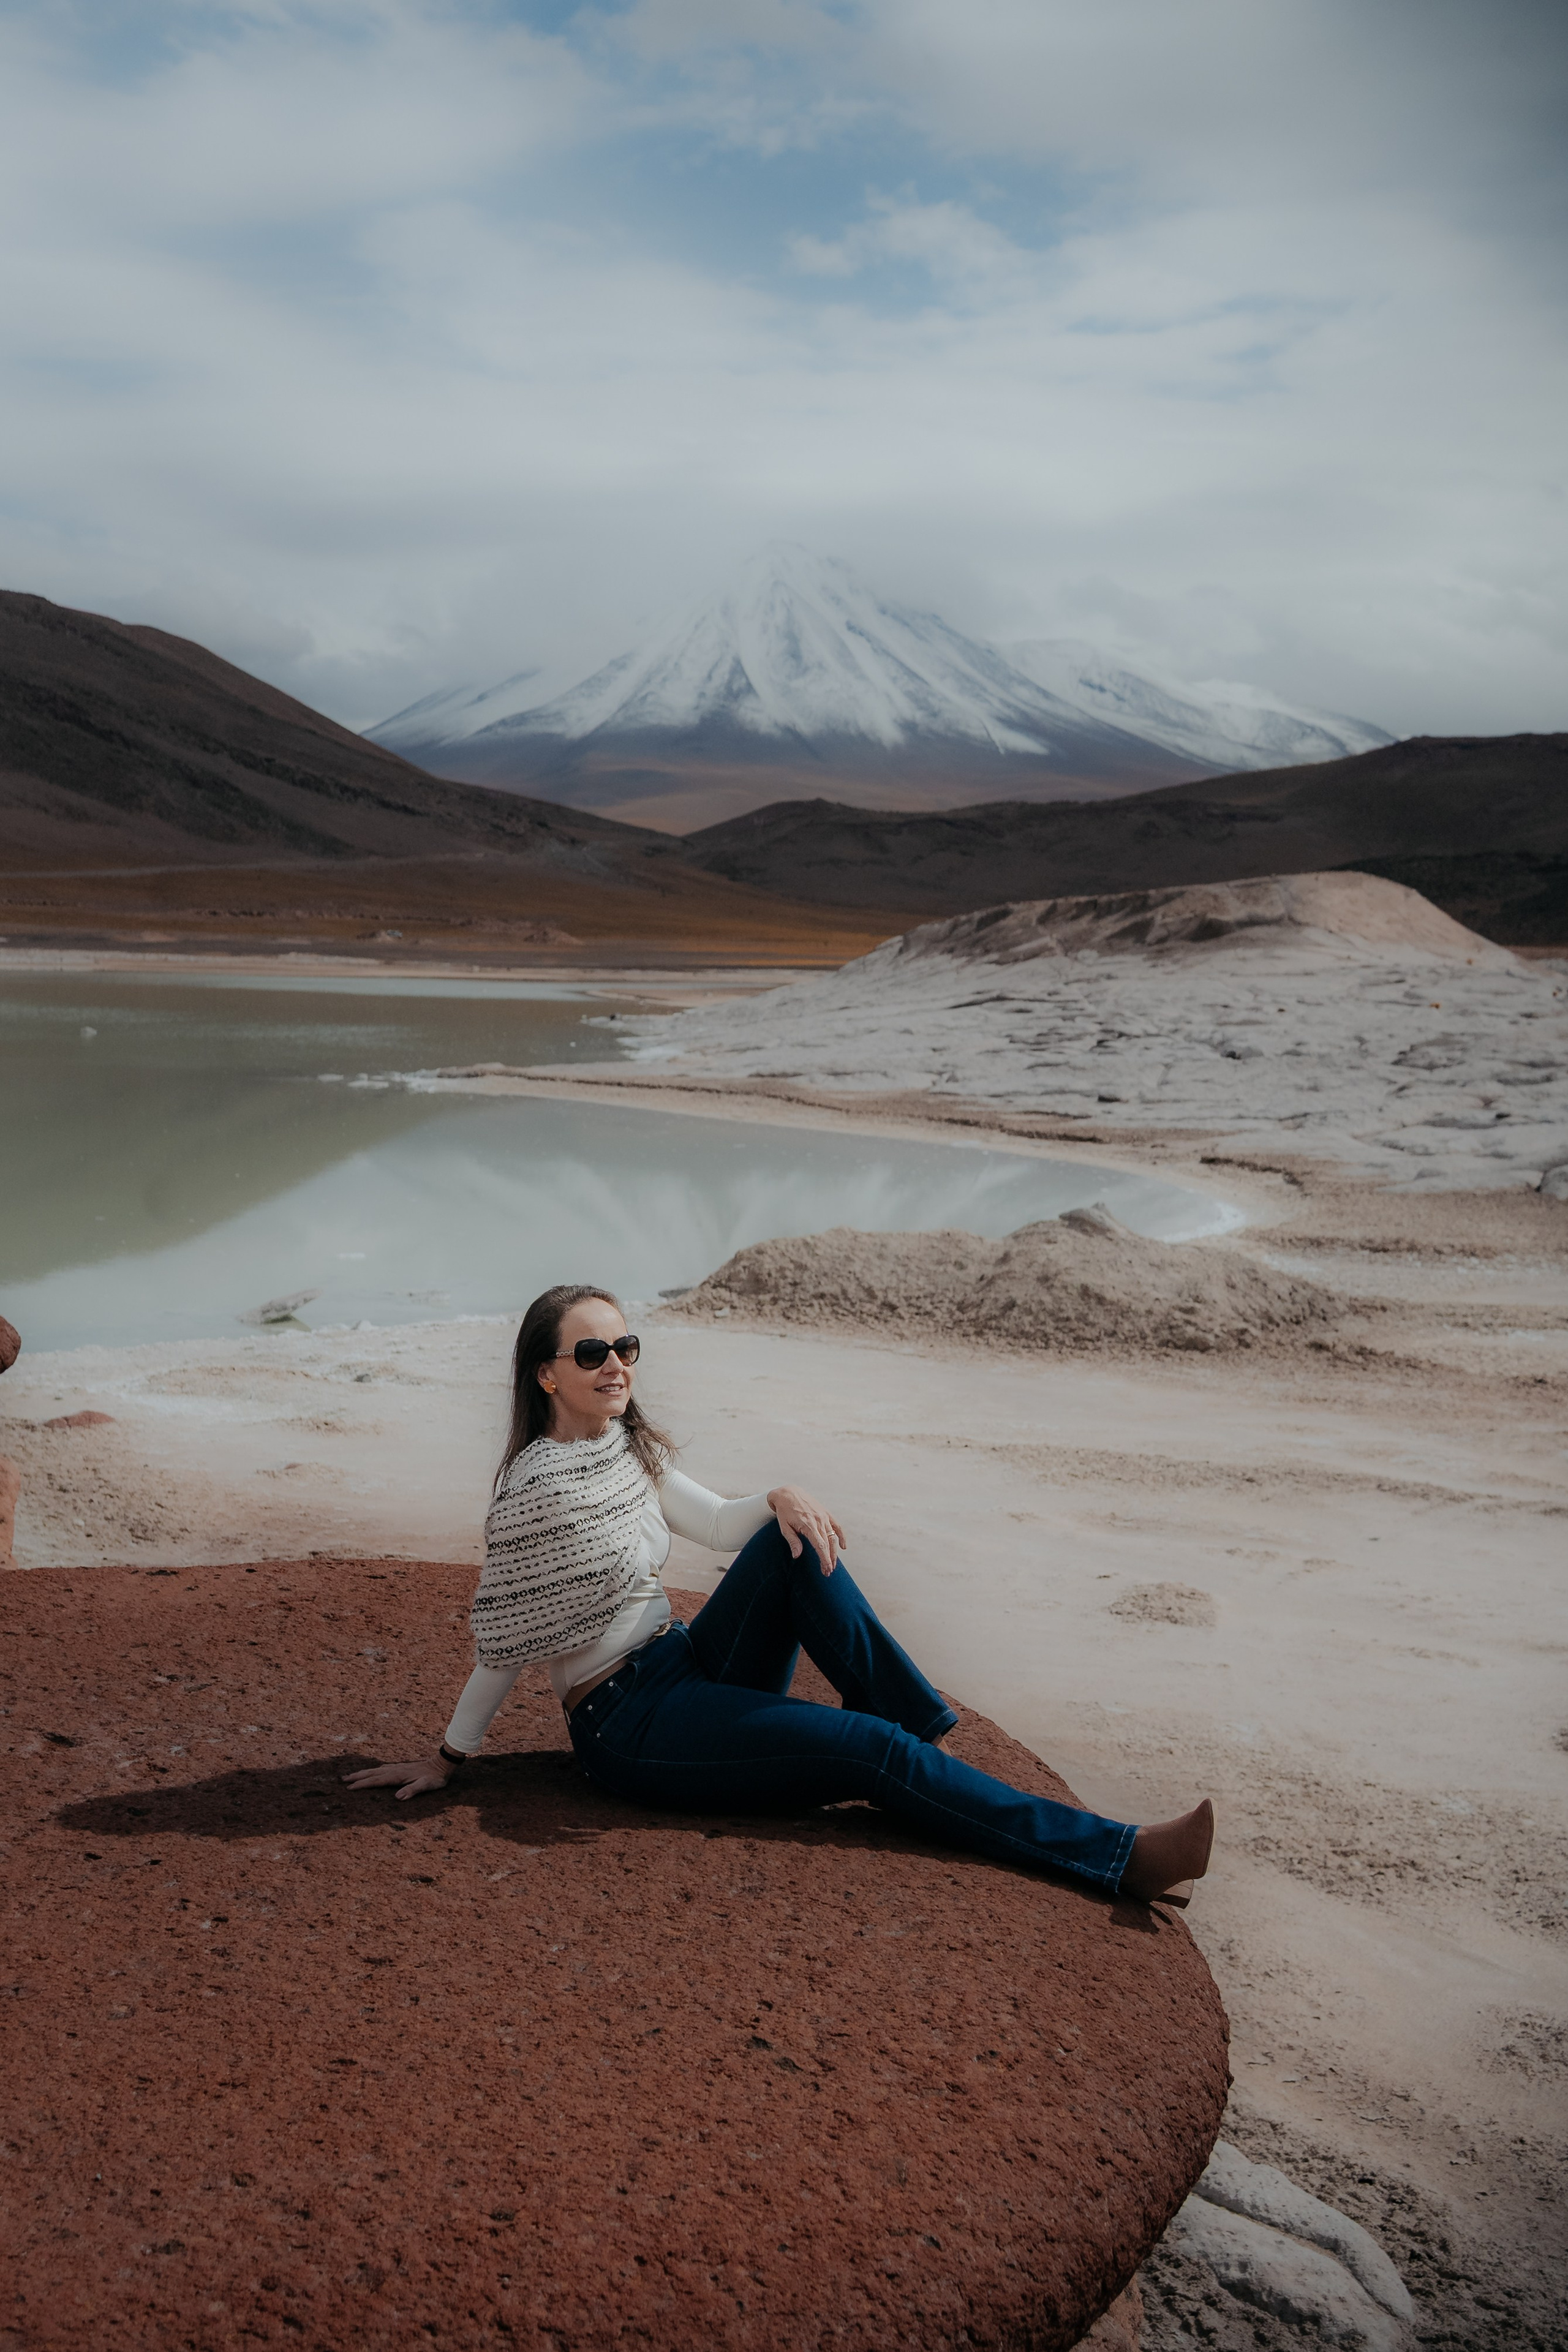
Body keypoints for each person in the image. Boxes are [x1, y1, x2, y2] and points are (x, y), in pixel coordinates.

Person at [346, 1283, 1214, 1905]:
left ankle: (911, 1734)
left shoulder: (627, 1451)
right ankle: (1119, 1858)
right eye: (592, 1353)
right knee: (871, 1754)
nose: (615, 1365)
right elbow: (504, 1639)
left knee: (788, 1544)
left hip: (686, 1666)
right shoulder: (534, 1488)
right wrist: (449, 1758)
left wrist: (781, 1494)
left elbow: (724, 1524)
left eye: (626, 1347)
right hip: (628, 1724)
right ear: (547, 1375)